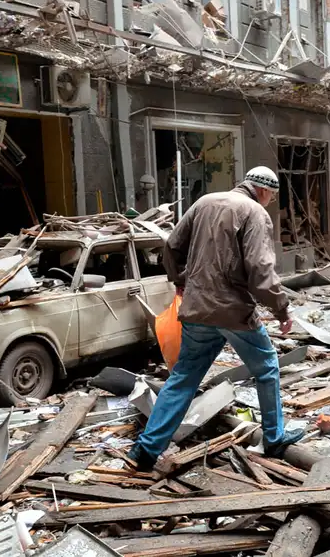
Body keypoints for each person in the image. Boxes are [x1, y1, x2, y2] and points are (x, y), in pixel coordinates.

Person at [128, 166, 302, 472]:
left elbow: (171, 246)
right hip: (233, 311)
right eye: (272, 197)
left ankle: (146, 450)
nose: (270, 202)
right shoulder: (255, 212)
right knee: (267, 368)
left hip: (197, 308)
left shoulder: (203, 202)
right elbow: (260, 268)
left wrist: (179, 279)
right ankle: (274, 437)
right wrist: (282, 310)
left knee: (183, 379)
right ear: (264, 190)